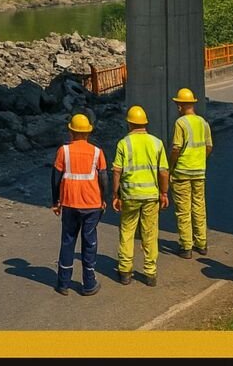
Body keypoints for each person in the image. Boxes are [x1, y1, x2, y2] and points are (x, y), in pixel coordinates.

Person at [51, 112, 108, 296]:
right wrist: (103, 199)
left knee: (68, 241)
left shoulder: (63, 151)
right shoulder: (97, 152)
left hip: (69, 202)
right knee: (89, 241)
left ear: (71, 132)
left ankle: (63, 283)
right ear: (88, 133)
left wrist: (55, 201)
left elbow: (55, 178)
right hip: (92, 204)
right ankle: (89, 283)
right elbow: (103, 178)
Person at [111, 105, 168, 286]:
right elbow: (164, 172)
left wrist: (115, 194)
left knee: (127, 232)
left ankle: (125, 271)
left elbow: (116, 172)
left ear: (129, 124)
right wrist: (164, 193)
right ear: (145, 124)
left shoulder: (123, 144)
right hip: (151, 196)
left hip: (129, 195)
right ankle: (150, 273)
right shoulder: (157, 143)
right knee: (150, 233)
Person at [168, 87, 213, 258]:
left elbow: (176, 148)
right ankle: (201, 243)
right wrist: (201, 159)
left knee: (183, 210)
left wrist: (171, 166)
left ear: (180, 105)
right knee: (199, 207)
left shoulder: (180, 123)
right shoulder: (203, 122)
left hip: (182, 172)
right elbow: (209, 146)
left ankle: (186, 246)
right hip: (199, 172)